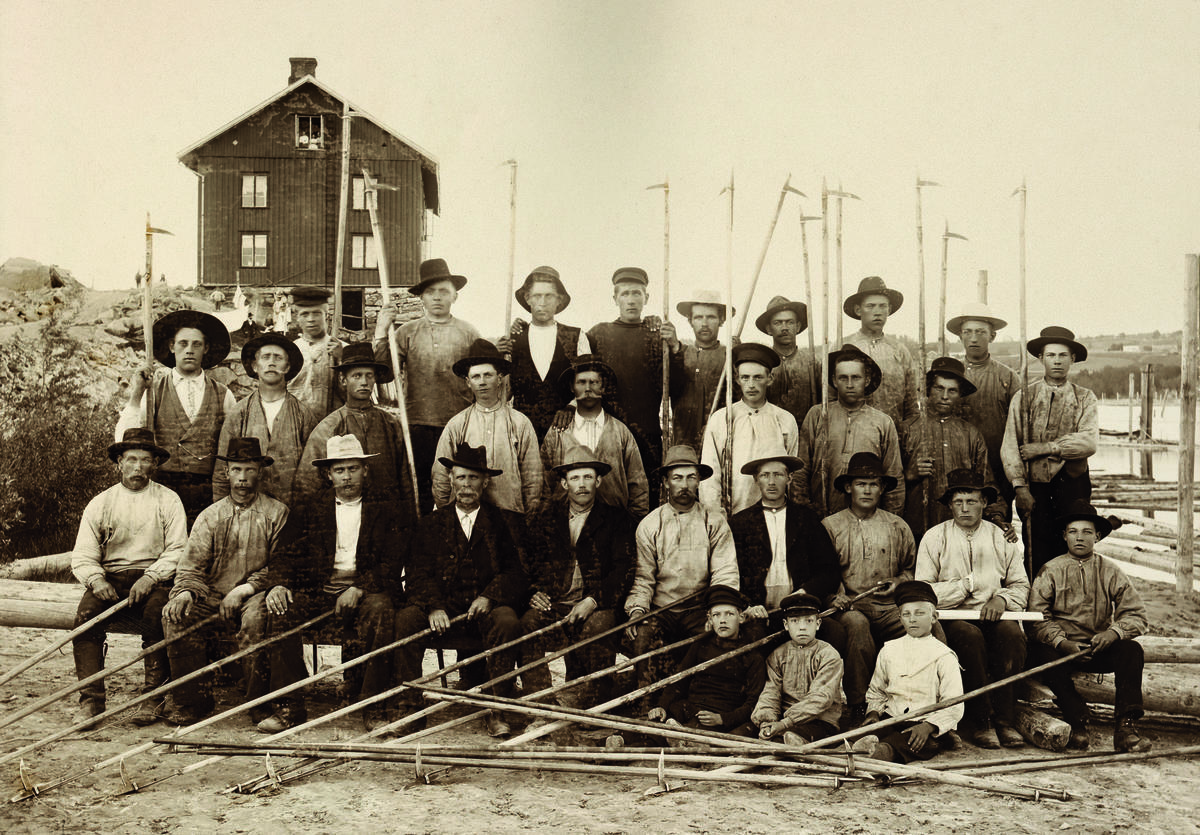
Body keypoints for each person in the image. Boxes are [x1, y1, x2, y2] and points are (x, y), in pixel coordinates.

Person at [260, 435, 403, 732]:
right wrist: (279, 584)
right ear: (328, 474)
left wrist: (359, 587)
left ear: (365, 470)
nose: (347, 477)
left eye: (353, 469)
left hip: (367, 591)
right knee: (281, 611)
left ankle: (372, 705)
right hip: (322, 592)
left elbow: (393, 560)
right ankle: (290, 707)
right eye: (340, 471)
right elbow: (286, 554)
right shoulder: (312, 508)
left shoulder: (386, 507)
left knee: (381, 610)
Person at [391, 444, 528, 737]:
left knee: (507, 621)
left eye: (474, 478)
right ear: (451, 480)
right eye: (461, 478)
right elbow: (416, 572)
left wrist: (490, 596)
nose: (467, 485)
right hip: (446, 608)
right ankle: (410, 709)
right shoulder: (431, 523)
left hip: (485, 607)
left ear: (485, 482)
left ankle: (496, 707)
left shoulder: (501, 522)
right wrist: (433, 606)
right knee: (405, 620)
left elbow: (515, 572)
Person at [160, 438, 288, 725]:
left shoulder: (276, 513)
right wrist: (185, 594)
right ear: (227, 472)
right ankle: (193, 701)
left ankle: (259, 703)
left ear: (260, 472)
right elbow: (191, 567)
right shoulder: (211, 516)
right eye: (236, 470)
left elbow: (280, 565)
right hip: (213, 594)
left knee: (256, 619)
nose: (243, 479)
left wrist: (245, 590)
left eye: (250, 470)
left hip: (257, 593)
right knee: (176, 615)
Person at [70, 429, 187, 727]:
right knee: (85, 619)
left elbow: (178, 549)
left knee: (158, 617)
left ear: (155, 465)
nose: (138, 467)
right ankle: (91, 701)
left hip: (156, 579)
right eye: (131, 460)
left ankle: (152, 697)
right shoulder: (102, 502)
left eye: (145, 460)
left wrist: (152, 576)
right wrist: (97, 580)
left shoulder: (168, 500)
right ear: (118, 463)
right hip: (112, 578)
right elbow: (83, 554)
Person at [915, 469, 1029, 748]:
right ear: (950, 504)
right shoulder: (935, 537)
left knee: (1012, 636)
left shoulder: (1000, 537)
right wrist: (965, 586)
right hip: (953, 618)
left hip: (994, 613)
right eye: (958, 502)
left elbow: (1021, 585)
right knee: (969, 637)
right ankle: (983, 721)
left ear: (984, 503)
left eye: (972, 501)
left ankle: (1005, 720)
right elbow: (923, 592)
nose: (965, 508)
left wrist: (1001, 599)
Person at [1027, 502, 1152, 753]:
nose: (1079, 538)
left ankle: (1125, 728)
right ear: (1064, 536)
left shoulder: (1111, 571)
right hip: (1063, 649)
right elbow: (1036, 617)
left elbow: (1137, 614)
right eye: (1073, 531)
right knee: (1042, 654)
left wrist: (1113, 633)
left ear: (1097, 536)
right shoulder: (1050, 570)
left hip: (1097, 647)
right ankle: (1078, 720)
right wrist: (1062, 642)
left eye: (1086, 532)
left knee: (1131, 651)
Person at [520, 447, 635, 709]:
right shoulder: (546, 518)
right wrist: (534, 591)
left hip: (596, 604)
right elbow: (529, 562)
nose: (581, 485)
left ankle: (596, 703)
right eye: (574, 478)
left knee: (599, 626)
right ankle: (541, 702)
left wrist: (594, 600)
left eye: (587, 477)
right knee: (528, 624)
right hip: (556, 602)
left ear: (598, 480)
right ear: (563, 483)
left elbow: (624, 570)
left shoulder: (617, 519)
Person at [624, 445, 739, 702]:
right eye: (677, 478)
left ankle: (695, 705)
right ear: (665, 482)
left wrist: (716, 611)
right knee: (643, 636)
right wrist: (638, 610)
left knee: (712, 639)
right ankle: (646, 706)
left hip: (699, 609)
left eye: (690, 477)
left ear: (699, 480)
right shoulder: (651, 524)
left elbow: (725, 573)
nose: (684, 485)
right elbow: (643, 578)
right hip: (661, 610)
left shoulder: (714, 521)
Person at [374, 258, 481, 512]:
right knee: (420, 489)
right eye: (430, 292)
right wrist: (381, 329)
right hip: (418, 425)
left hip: (459, 425)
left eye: (443, 291)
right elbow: (383, 373)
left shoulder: (469, 332)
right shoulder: (406, 333)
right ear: (421, 297)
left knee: (457, 490)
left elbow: (482, 376)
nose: (437, 298)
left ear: (455, 296)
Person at [821, 452, 918, 723]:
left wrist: (898, 582)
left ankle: (930, 707)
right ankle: (858, 705)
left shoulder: (897, 526)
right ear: (849, 487)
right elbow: (822, 571)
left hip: (889, 607)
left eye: (873, 484)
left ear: (882, 488)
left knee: (926, 628)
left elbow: (911, 569)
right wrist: (835, 596)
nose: (867, 490)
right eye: (861, 483)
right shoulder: (831, 526)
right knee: (857, 627)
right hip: (849, 605)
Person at [116, 309, 236, 525]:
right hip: (162, 490)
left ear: (206, 348)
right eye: (183, 344)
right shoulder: (153, 392)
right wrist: (137, 394)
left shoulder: (224, 395)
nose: (189, 350)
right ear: (172, 347)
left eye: (196, 344)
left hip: (207, 493)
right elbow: (124, 439)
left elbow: (232, 449)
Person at [1001, 326, 1099, 575]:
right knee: (1036, 547)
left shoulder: (1085, 398)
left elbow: (1088, 443)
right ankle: (1038, 603)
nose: (1057, 361)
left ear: (1072, 359)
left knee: (1074, 544)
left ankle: (1073, 600)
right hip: (1035, 487)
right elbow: (1011, 446)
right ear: (1041, 358)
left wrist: (1046, 448)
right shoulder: (1024, 397)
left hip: (1073, 484)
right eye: (1051, 355)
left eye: (1063, 355)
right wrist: (1020, 488)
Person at [730, 454, 844, 652]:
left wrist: (805, 592)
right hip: (760, 612)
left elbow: (829, 570)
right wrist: (748, 605)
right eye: (765, 475)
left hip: (802, 609)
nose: (772, 482)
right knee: (752, 641)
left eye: (778, 475)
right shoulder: (740, 523)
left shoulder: (807, 519)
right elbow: (731, 572)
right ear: (756, 480)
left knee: (836, 633)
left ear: (789, 479)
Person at [294, 342, 418, 515]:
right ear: (343, 380)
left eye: (369, 376)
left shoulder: (390, 423)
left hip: (387, 514)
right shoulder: (329, 427)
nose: (364, 382)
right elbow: (308, 483)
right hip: (345, 513)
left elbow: (404, 476)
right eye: (357, 376)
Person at [587, 266, 684, 478]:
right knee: (610, 495)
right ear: (615, 298)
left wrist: (675, 346)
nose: (631, 300)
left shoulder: (657, 336)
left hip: (647, 434)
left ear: (646, 297)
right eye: (625, 293)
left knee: (647, 497)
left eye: (636, 293)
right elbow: (580, 378)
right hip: (607, 432)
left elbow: (675, 388)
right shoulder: (599, 334)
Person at [852, 580, 964, 763]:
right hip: (892, 717)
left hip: (924, 723)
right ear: (900, 617)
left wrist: (929, 726)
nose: (912, 619)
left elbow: (954, 704)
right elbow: (877, 691)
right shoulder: (889, 650)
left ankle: (880, 754)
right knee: (859, 735)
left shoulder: (944, 655)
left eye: (920, 613)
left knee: (911, 743)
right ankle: (854, 752)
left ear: (934, 617)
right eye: (906, 614)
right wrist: (873, 713)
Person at [432, 339, 543, 517]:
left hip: (508, 514)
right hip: (467, 516)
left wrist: (527, 515)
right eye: (476, 377)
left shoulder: (519, 423)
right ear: (468, 382)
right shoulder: (457, 425)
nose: (482, 382)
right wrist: (448, 514)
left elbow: (532, 476)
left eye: (488, 375)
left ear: (499, 379)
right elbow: (440, 475)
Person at [899, 356, 1006, 540]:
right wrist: (909, 474)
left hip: (960, 529)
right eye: (939, 388)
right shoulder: (906, 429)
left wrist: (997, 517)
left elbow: (986, 482)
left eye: (952, 390)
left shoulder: (970, 434)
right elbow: (888, 484)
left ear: (960, 394)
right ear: (928, 389)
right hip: (916, 527)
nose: (945, 396)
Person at [795, 344, 904, 517]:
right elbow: (801, 470)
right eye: (843, 378)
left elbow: (893, 474)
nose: (850, 384)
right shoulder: (818, 415)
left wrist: (891, 520)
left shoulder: (882, 422)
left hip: (868, 517)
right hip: (820, 513)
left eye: (856, 377)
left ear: (866, 380)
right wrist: (803, 511)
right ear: (834, 380)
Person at [215, 333, 318, 507]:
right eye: (265, 357)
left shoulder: (303, 414)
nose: (271, 362)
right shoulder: (239, 412)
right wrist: (222, 512)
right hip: (246, 508)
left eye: (278, 358)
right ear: (255, 366)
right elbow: (221, 468)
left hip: (290, 506)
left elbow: (312, 470)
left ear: (287, 367)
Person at [650, 585, 767, 737]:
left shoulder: (751, 653)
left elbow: (753, 702)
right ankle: (619, 739)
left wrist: (723, 719)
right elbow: (679, 680)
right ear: (710, 619)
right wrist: (662, 706)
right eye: (717, 615)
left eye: (729, 614)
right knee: (659, 720)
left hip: (722, 716)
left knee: (707, 736)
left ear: (741, 617)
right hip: (692, 709)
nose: (723, 620)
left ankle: (682, 740)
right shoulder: (701, 644)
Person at [540, 355, 649, 517]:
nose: (588, 388)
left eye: (594, 382)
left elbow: (637, 484)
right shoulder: (558, 432)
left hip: (614, 526)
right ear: (572, 387)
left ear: (603, 387)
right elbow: (545, 483)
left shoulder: (620, 432)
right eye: (581, 382)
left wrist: (633, 524)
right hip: (567, 524)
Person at [700, 343, 799, 516]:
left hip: (774, 514)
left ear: (770, 379)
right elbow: (710, 473)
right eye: (745, 378)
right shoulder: (722, 419)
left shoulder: (784, 420)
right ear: (737, 380)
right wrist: (715, 516)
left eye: (758, 377)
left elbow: (791, 474)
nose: (751, 384)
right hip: (732, 513)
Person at [496, 266, 590, 440]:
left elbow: (589, 382)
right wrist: (497, 356)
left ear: (559, 300)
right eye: (537, 296)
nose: (543, 302)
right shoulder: (513, 340)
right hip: (521, 431)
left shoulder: (576, 336)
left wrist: (572, 406)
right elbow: (504, 393)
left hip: (566, 430)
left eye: (549, 296)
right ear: (527, 298)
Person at [947, 302, 1018, 514]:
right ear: (960, 337)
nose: (974, 338)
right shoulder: (951, 376)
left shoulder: (1007, 377)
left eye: (980, 332)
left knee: (996, 521)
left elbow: (1019, 427)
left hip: (997, 464)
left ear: (992, 336)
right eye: (967, 332)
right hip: (956, 462)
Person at [750, 591, 844, 744]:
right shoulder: (777, 655)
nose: (802, 628)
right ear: (786, 625)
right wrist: (766, 721)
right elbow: (770, 693)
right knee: (768, 735)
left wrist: (784, 724)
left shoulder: (828, 655)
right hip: (784, 721)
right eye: (795, 621)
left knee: (791, 737)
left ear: (818, 624)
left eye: (808, 621)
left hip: (820, 720)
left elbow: (820, 698)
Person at [841, 276, 920, 427]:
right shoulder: (844, 347)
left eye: (882, 306)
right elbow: (831, 399)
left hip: (895, 432)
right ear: (858, 310)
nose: (877, 312)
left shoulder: (899, 351)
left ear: (889, 310)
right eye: (870, 306)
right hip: (853, 433)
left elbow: (911, 402)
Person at [671, 290, 732, 453]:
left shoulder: (730, 356)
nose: (704, 323)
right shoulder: (679, 354)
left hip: (719, 444)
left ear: (721, 320)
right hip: (682, 444)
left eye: (711, 317)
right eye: (698, 317)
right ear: (690, 321)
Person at [756, 295, 820, 431]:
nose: (784, 328)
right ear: (768, 329)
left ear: (797, 327)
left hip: (805, 434)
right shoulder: (762, 364)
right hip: (768, 432)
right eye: (778, 323)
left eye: (790, 322)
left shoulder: (812, 362)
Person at [287, 286, 345, 420]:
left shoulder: (342, 349)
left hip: (332, 426)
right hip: (296, 426)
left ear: (327, 315)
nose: (311, 319)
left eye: (317, 313)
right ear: (297, 318)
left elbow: (354, 395)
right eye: (305, 314)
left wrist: (342, 360)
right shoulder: (290, 351)